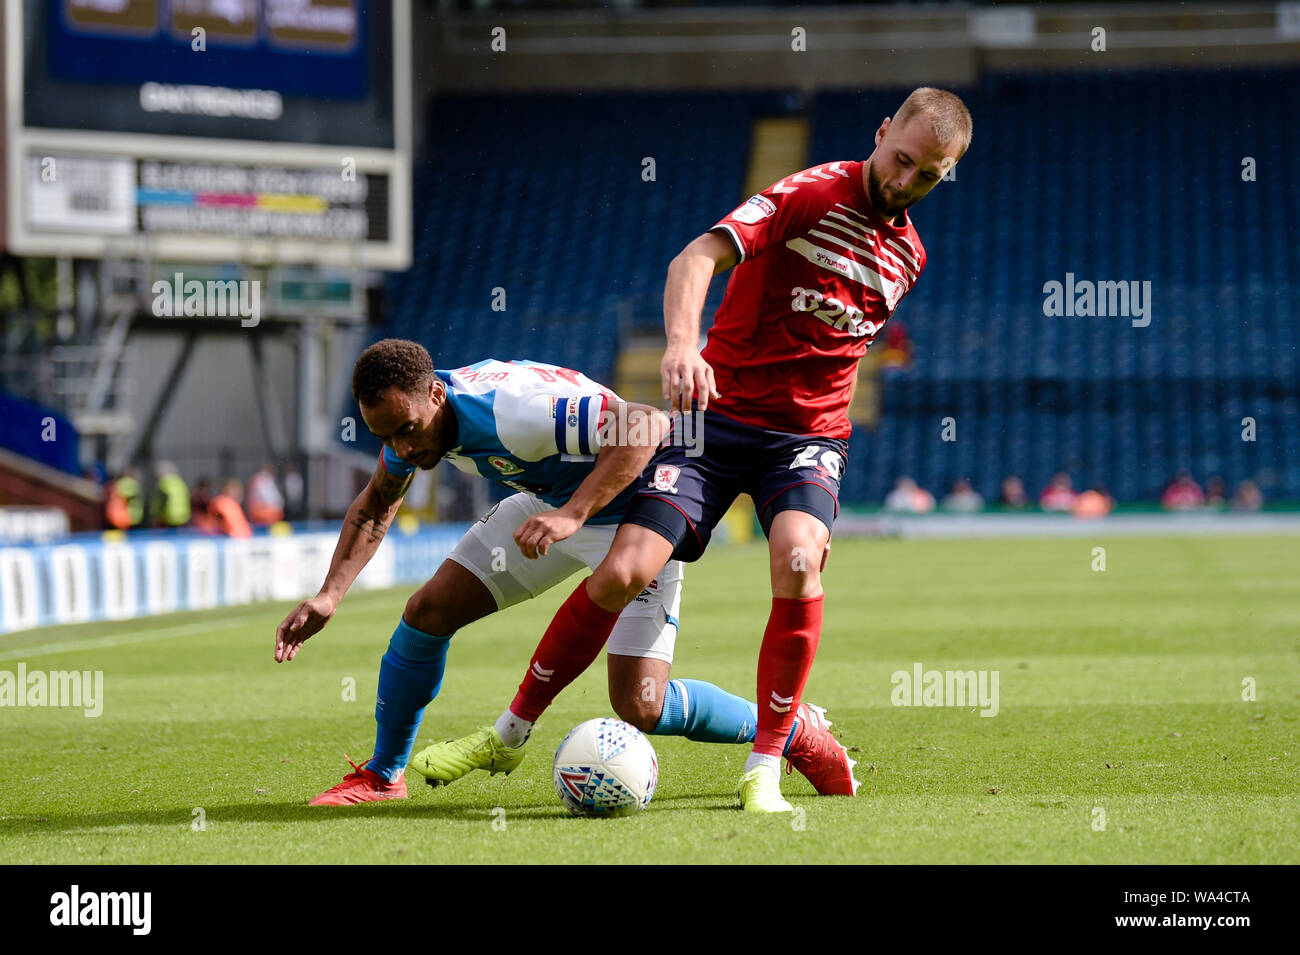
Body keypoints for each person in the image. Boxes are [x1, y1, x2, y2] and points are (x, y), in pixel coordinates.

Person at [418, 87, 972, 811]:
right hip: (712, 418)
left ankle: (765, 765)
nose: (905, 182)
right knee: (622, 571)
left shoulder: (910, 256)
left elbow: (836, 349)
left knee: (799, 559)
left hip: (805, 438)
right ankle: (508, 735)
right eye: (901, 159)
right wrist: (683, 345)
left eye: (928, 175)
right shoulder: (808, 194)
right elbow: (696, 256)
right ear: (881, 131)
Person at [273, 340, 850, 806]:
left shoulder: (514, 410)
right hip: (547, 506)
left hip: (630, 519)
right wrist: (330, 595)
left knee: (641, 706)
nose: (401, 445)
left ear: (435, 392)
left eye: (407, 429)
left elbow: (644, 426)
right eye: (385, 436)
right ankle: (382, 775)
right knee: (427, 612)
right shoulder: (411, 419)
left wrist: (574, 514)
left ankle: (792, 728)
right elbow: (375, 506)